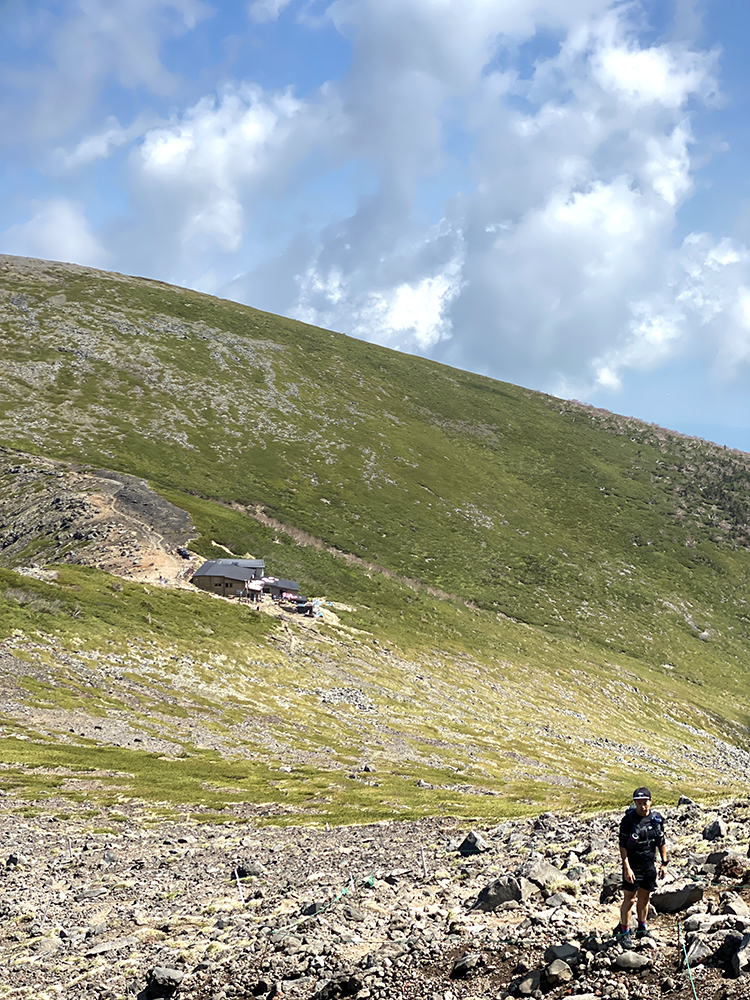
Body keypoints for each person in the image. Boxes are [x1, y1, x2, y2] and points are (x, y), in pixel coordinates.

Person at [615, 786, 668, 941]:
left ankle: (642, 928)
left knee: (645, 898)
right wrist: (627, 868)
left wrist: (664, 863)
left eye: (645, 802)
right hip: (633, 866)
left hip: (649, 865)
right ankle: (624, 932)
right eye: (638, 802)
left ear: (650, 802)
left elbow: (661, 841)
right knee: (629, 899)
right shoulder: (628, 821)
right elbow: (623, 845)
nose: (642, 805)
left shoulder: (656, 820)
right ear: (634, 803)